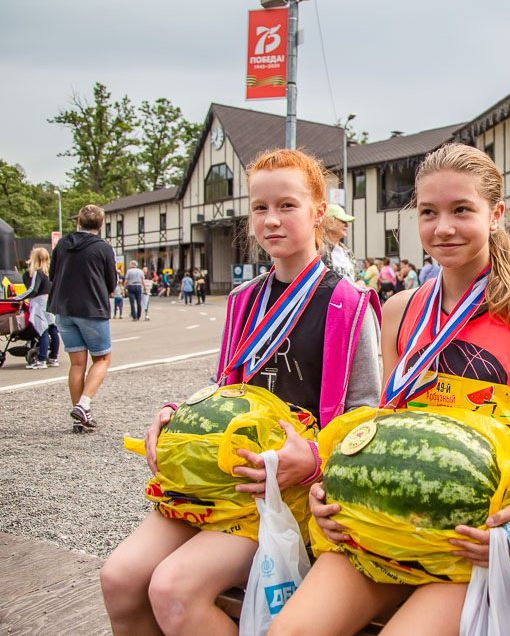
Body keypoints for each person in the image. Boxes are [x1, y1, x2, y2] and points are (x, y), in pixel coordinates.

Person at [271, 142, 510, 636]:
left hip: (470, 539)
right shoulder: (398, 309)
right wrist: (330, 488)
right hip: (382, 525)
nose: (443, 228)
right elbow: (381, 427)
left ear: (496, 214)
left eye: (463, 210)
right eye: (429, 212)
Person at [100, 148, 381, 635]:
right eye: (259, 208)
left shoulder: (348, 304)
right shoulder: (242, 300)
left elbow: (366, 416)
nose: (271, 220)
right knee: (119, 578)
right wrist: (175, 415)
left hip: (284, 494)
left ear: (318, 211)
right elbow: (225, 388)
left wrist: (313, 459)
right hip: (222, 478)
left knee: (172, 589)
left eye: (287, 206)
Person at [48, 203, 117, 432]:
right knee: (102, 359)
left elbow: (52, 273)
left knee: (77, 363)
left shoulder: (62, 245)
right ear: (101, 224)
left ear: (78, 221)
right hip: (91, 308)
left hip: (63, 307)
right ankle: (84, 403)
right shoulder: (103, 248)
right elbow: (111, 282)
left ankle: (80, 418)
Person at [15, 247, 60, 369]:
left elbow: (33, 289)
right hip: (50, 302)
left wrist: (18, 298)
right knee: (53, 329)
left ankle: (41, 360)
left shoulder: (37, 273)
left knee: (42, 330)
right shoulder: (50, 273)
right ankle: (53, 358)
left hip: (39, 303)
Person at [323, 204, 357, 282]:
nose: (347, 225)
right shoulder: (319, 249)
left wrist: (360, 282)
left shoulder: (347, 251)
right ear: (329, 222)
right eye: (343, 221)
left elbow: (357, 277)